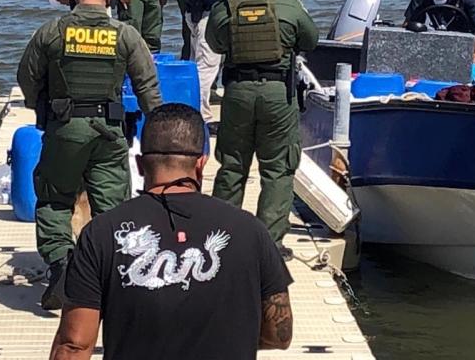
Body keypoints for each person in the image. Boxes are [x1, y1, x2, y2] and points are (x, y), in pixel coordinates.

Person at [50, 103, 293, 360]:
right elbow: (280, 334)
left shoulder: (101, 233)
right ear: (201, 164)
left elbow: (74, 345)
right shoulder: (250, 230)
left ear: (141, 164)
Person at [17, 0, 162, 310]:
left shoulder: (52, 31)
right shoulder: (126, 34)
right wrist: (158, 134)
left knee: (55, 198)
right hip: (109, 133)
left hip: (65, 129)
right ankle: (116, 277)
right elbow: (148, 86)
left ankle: (63, 267)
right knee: (114, 207)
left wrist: (44, 109)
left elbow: (27, 77)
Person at [206, 0, 318, 257]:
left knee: (232, 165)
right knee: (278, 169)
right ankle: (269, 244)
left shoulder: (223, 9)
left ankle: (221, 239)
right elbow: (311, 39)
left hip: (238, 92)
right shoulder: (288, 5)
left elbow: (215, 43)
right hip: (277, 94)